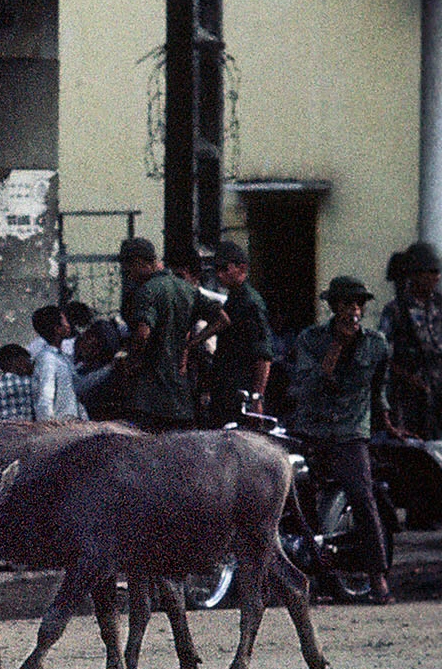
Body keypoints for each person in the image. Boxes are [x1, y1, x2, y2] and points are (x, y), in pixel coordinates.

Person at [289, 276, 409, 604]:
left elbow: (379, 388)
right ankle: (313, 573)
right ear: (333, 307)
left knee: (362, 496)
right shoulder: (311, 340)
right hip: (313, 430)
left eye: (358, 304)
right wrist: (336, 348)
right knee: (300, 499)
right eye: (346, 304)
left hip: (351, 432)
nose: (353, 310)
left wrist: (387, 423)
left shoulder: (376, 344)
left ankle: (377, 577)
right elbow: (305, 387)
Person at [117, 237, 227, 433]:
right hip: (182, 398)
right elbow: (222, 319)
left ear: (139, 263)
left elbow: (143, 334)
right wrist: (190, 345)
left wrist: (131, 362)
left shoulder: (146, 291)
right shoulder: (186, 289)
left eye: (129, 269)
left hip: (149, 399)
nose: (129, 276)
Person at [378, 241, 442, 445]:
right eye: (431, 272)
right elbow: (383, 356)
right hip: (409, 394)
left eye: (437, 272)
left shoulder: (441, 304)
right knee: (414, 445)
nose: (436, 277)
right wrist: (409, 378)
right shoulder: (395, 310)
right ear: (415, 274)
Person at [204, 240, 275, 427]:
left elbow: (263, 356)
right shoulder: (234, 299)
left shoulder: (250, 303)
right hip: (227, 390)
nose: (219, 275)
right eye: (217, 270)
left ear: (241, 268)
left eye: (225, 269)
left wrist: (256, 399)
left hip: (241, 392)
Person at [29, 304, 82, 421]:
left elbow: (76, 392)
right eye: (65, 321)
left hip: (71, 424)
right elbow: (45, 397)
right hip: (59, 426)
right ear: (57, 329)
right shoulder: (47, 359)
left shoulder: (63, 358)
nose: (68, 325)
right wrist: (47, 425)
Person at [0, 343, 38, 422]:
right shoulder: (27, 382)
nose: (29, 364)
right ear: (18, 361)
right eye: (27, 360)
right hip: (26, 427)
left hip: (3, 427)